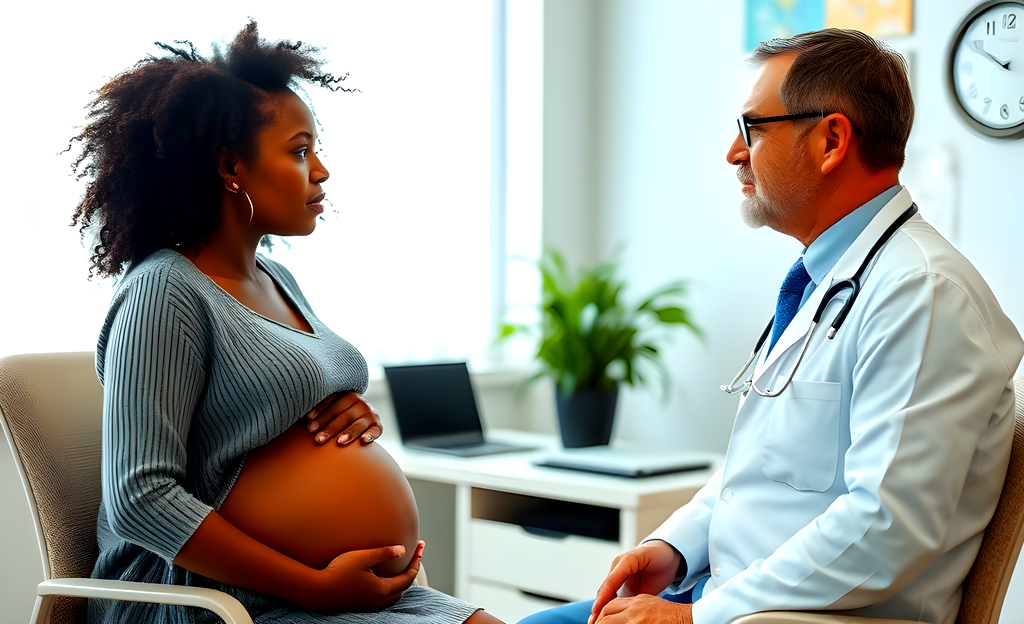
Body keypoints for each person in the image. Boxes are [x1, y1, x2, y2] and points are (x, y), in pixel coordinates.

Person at [521, 28, 1023, 624]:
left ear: (832, 140)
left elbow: (885, 528)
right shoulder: (832, 279)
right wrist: (675, 548)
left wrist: (690, 617)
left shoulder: (922, 293)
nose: (733, 153)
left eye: (752, 128)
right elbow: (763, 476)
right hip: (733, 597)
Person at [72, 22, 502, 624]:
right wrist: (311, 585)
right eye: (300, 151)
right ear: (231, 166)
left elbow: (261, 417)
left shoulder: (276, 277)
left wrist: (351, 412)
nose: (321, 171)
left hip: (312, 596)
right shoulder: (163, 290)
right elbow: (140, 500)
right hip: (212, 602)